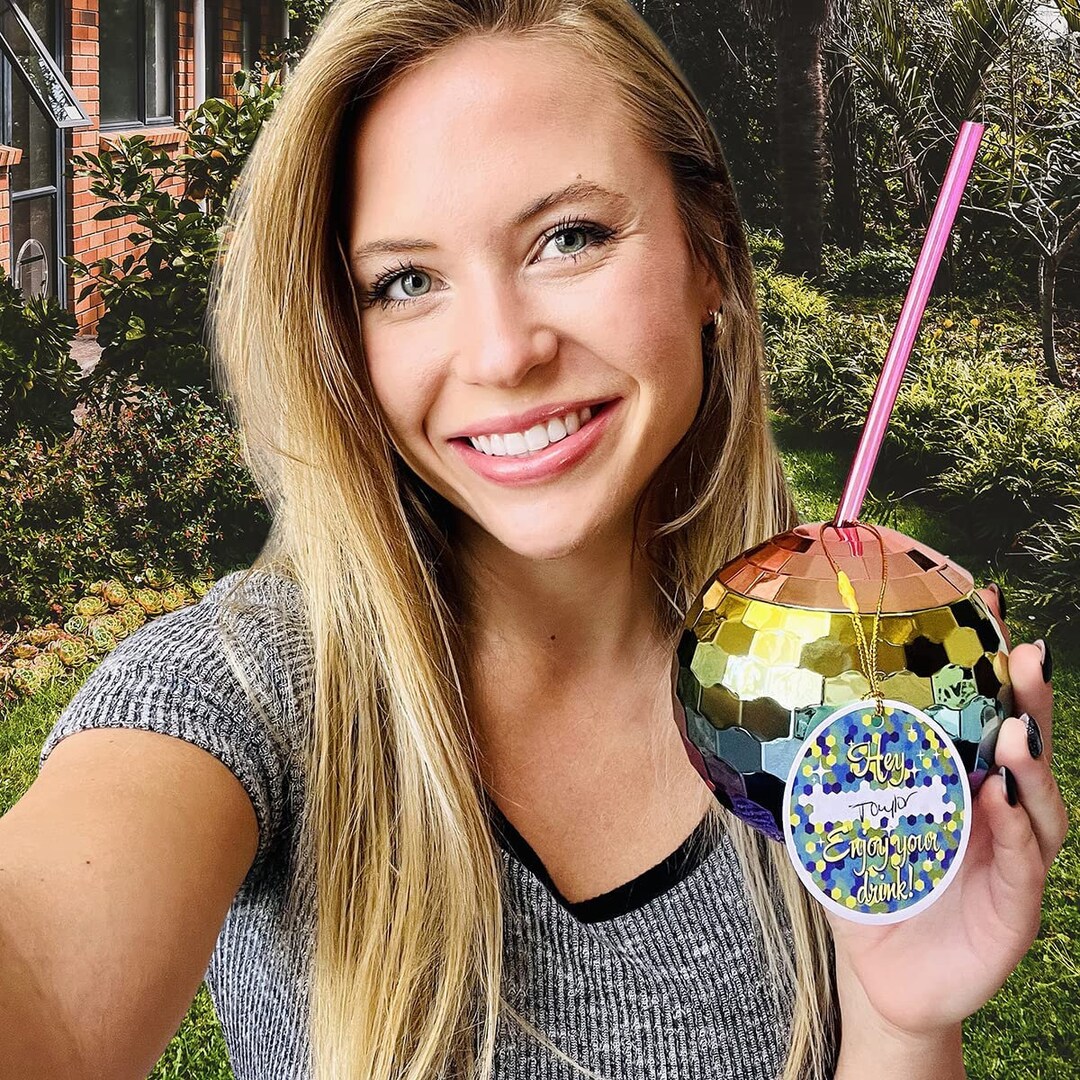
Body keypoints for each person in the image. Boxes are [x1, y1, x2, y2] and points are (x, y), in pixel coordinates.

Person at [0, 1, 1066, 1078]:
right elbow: (37, 971)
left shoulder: (838, 693)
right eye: (406, 281)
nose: (505, 355)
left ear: (709, 256)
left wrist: (902, 1023)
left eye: (570, 238)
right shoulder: (246, 695)